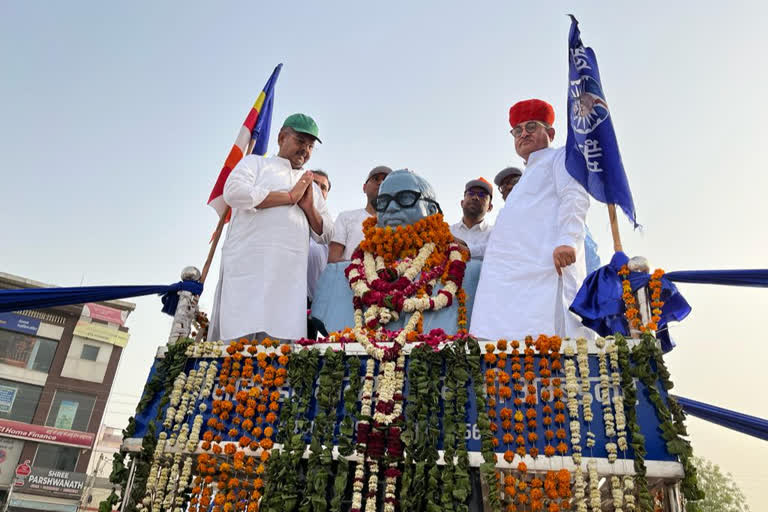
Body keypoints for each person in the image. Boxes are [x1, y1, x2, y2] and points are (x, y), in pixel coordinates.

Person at [471, 99, 590, 340]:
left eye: (532, 127)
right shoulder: (526, 177)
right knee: (499, 351)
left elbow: (574, 196)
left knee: (548, 350)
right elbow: (505, 236)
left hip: (542, 274)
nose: (523, 134)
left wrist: (568, 239)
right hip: (507, 285)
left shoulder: (559, 158)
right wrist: (469, 248)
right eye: (517, 130)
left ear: (550, 132)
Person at [209, 113, 334, 342]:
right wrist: (287, 196)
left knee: (278, 358)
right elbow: (234, 192)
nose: (305, 150)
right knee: (236, 349)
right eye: (300, 142)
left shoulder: (311, 186)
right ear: (281, 137)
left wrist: (308, 207)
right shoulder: (255, 163)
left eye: (310, 146)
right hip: (248, 273)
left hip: (288, 281)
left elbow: (327, 234)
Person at [495, 165, 602, 274]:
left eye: (515, 180)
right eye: (503, 186)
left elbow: (586, 251)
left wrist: (593, 286)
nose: (508, 186)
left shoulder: (553, 207)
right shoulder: (505, 226)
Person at [327, 165, 392, 262]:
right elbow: (332, 259)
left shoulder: (401, 223)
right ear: (364, 188)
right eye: (375, 179)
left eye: (386, 180)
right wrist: (359, 268)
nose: (381, 183)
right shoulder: (345, 217)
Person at [450, 178, 493, 259]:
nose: (475, 197)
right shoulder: (448, 232)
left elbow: (498, 250)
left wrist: (468, 250)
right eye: (471, 193)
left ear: (490, 207)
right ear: (462, 203)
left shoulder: (496, 234)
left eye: (482, 195)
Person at [307, 169, 331, 302]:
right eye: (314, 183)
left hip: (315, 305)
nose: (318, 189)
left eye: (323, 187)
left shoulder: (331, 232)